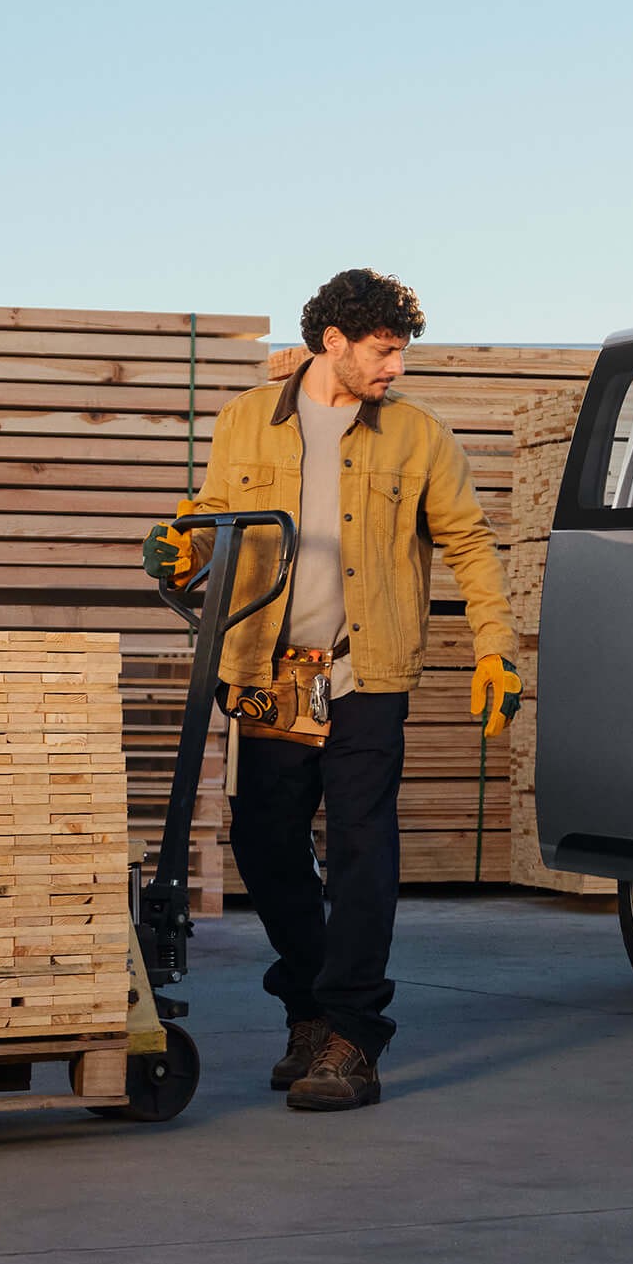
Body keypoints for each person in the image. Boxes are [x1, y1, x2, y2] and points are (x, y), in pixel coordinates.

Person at [145, 269, 523, 1111]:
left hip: (366, 673)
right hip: (266, 675)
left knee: (361, 853)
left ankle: (352, 1037)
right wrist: (186, 548)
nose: (396, 369)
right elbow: (212, 516)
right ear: (335, 344)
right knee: (265, 848)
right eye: (385, 352)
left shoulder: (417, 437)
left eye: (401, 353)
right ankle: (309, 1005)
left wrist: (497, 647)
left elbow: (470, 542)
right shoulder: (246, 420)